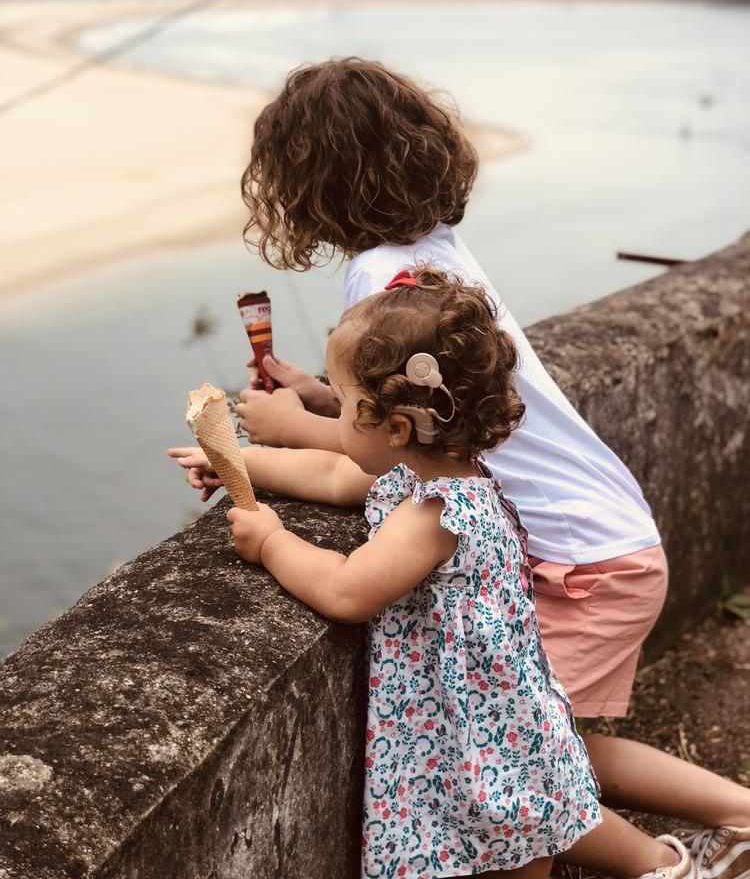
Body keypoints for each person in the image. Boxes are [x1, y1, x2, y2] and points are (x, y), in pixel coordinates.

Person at [231, 58, 750, 877]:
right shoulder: (432, 251)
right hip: (602, 533)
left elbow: (385, 451)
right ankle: (722, 826)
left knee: (521, 764)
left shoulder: (382, 278)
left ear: (307, 184)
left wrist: (290, 427)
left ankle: (677, 857)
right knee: (548, 748)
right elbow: (410, 416)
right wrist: (321, 400)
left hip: (580, 561)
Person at [170, 268, 699, 879]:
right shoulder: (440, 474)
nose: (334, 420)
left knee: (514, 852)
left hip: (487, 738)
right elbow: (333, 476)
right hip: (490, 723)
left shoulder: (436, 513)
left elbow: (346, 589)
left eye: (342, 404)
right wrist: (237, 461)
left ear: (396, 428)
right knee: (517, 845)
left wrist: (271, 542)